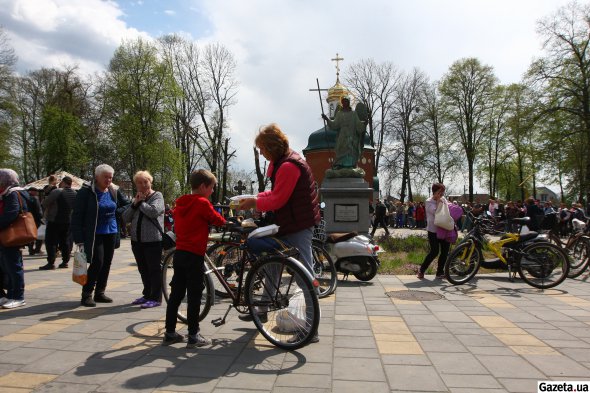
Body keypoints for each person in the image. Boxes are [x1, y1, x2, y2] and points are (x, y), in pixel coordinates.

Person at [237, 124, 321, 342]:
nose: (262, 154)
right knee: (272, 262)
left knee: (305, 275)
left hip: (297, 225)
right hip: (291, 222)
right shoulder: (285, 161)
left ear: (271, 147)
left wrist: (255, 201)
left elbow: (278, 199)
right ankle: (263, 308)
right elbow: (276, 193)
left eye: (263, 150)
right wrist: (256, 196)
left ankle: (311, 329)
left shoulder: (288, 167)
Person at [163, 169, 225, 348]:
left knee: (176, 294)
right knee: (195, 295)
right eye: (212, 188)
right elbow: (217, 219)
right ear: (203, 186)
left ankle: (170, 332)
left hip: (180, 253)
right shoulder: (202, 203)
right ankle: (193, 334)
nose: (212, 191)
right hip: (195, 255)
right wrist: (228, 222)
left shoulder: (180, 203)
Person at [71, 164, 130, 307]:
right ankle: (86, 294)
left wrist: (117, 212)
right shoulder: (86, 192)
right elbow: (77, 216)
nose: (109, 180)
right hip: (94, 233)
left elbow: (127, 204)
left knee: (107, 263)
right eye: (106, 177)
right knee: (98, 262)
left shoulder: (113, 190)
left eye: (110, 177)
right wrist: (78, 238)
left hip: (111, 231)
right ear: (97, 177)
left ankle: (100, 292)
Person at [123, 170, 165, 309]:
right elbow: (125, 217)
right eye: (139, 182)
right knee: (143, 269)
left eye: (145, 182)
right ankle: (147, 294)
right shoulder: (137, 198)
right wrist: (135, 203)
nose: (143, 185)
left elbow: (153, 211)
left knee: (154, 270)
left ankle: (156, 297)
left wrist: (140, 203)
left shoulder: (157, 196)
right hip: (137, 240)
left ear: (150, 182)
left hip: (153, 240)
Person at [0, 168, 34, 309]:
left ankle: (17, 297)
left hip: (11, 235)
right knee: (6, 265)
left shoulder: (14, 193)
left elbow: (11, 213)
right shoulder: (7, 193)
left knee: (13, 266)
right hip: (5, 235)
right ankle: (10, 295)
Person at [39, 176, 77, 270]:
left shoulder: (57, 191)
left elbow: (44, 203)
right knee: (65, 242)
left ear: (63, 182)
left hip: (54, 220)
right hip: (68, 221)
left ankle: (51, 263)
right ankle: (65, 262)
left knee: (51, 242)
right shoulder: (75, 193)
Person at [321, 97, 366, 170]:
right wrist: (327, 119)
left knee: (351, 150)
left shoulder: (353, 113)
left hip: (352, 135)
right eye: (343, 102)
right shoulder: (339, 114)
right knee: (341, 149)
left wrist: (364, 124)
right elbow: (335, 124)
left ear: (348, 102)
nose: (344, 103)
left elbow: (358, 125)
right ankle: (340, 164)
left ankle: (351, 164)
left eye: (346, 101)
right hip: (342, 135)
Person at [417, 183, 450, 280]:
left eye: (442, 192)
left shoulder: (444, 200)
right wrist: (438, 201)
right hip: (433, 230)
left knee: (445, 252)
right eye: (439, 192)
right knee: (434, 251)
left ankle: (440, 272)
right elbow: (437, 212)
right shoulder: (429, 201)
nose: (441, 194)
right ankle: (422, 270)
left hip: (444, 229)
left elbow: (448, 211)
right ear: (434, 192)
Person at [26, 188, 44, 256]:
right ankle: (37, 249)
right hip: (36, 219)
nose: (37, 193)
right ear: (33, 192)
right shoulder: (35, 199)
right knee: (39, 235)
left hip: (28, 219)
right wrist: (41, 217)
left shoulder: (25, 198)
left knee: (31, 235)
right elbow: (38, 210)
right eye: (36, 191)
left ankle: (31, 249)